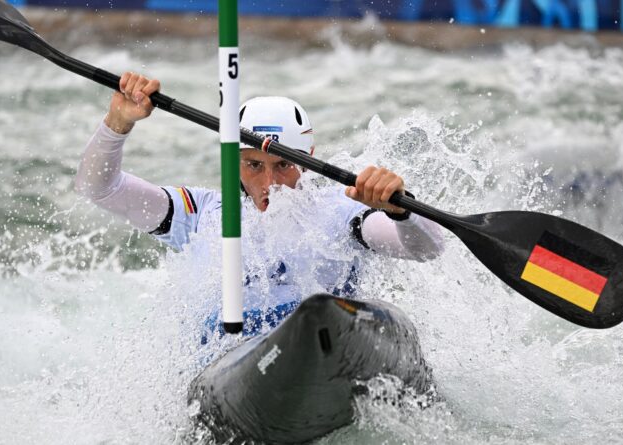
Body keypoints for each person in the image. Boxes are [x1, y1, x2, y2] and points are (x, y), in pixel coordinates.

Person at [75, 72, 444, 341]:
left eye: (283, 165)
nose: (269, 183)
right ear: (233, 162)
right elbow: (100, 188)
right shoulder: (200, 214)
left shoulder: (339, 211)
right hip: (227, 361)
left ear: (308, 159)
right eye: (254, 165)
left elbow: (428, 249)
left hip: (321, 344)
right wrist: (117, 122)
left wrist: (401, 212)